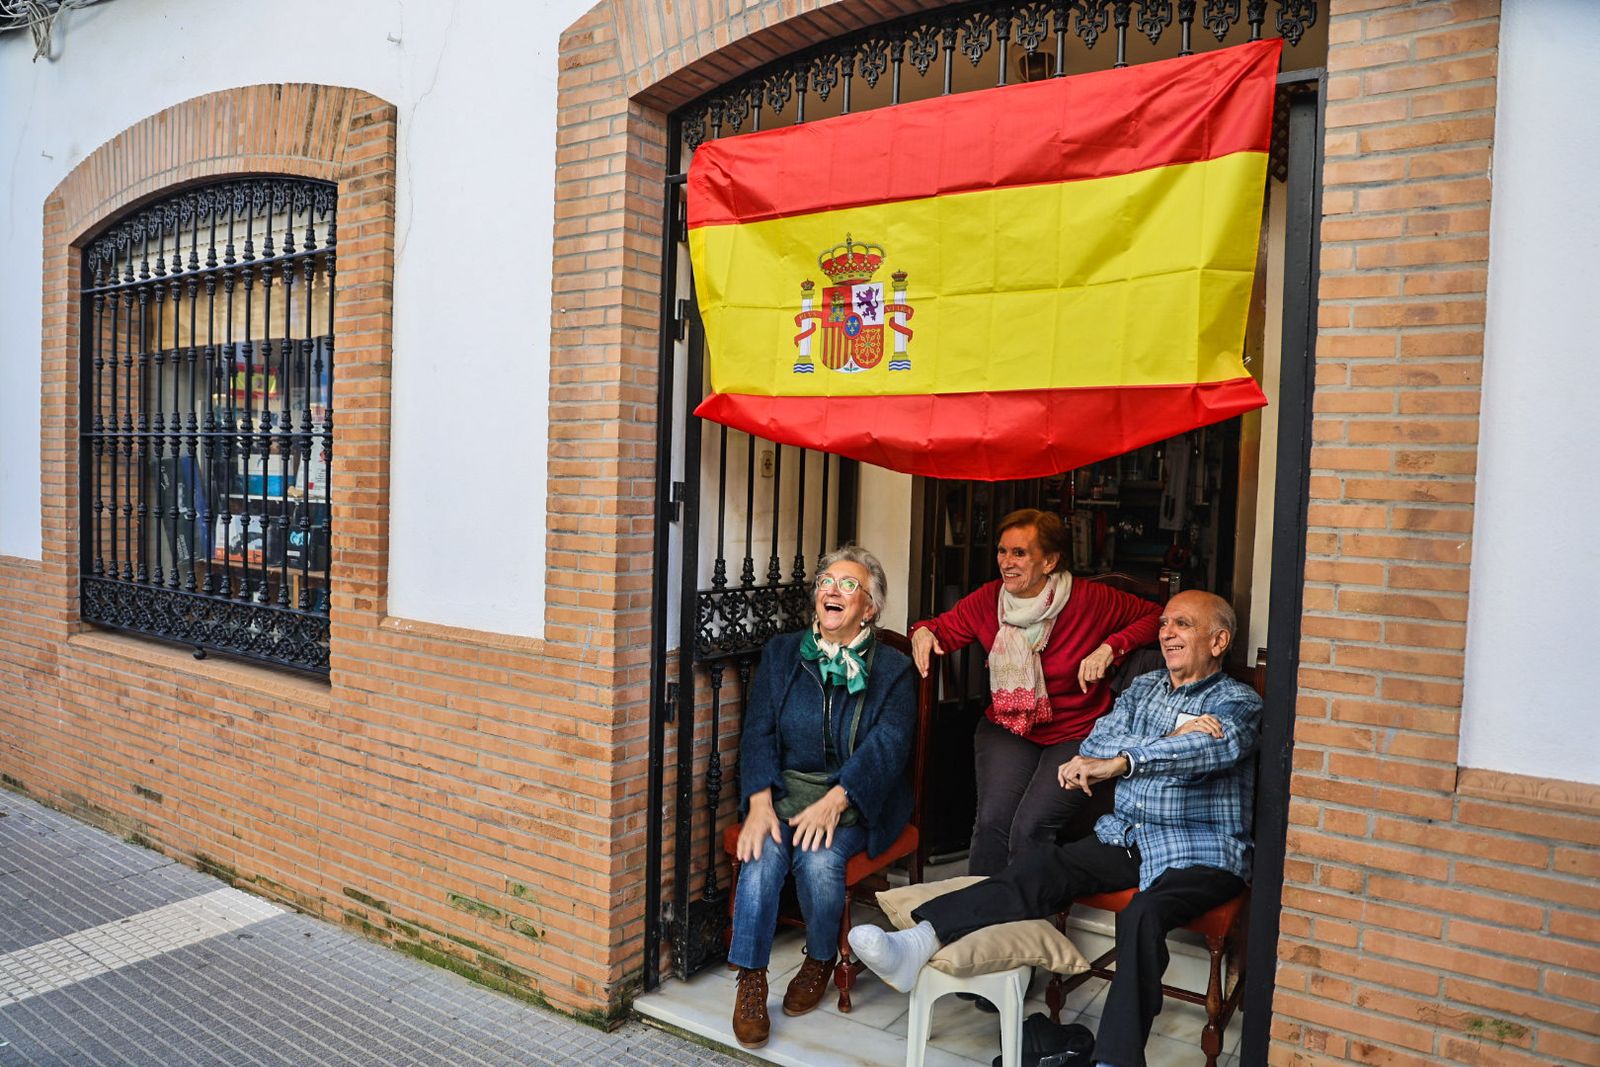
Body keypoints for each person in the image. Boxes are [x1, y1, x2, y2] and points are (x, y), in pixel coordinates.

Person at [850, 590, 1261, 1067]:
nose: (1166, 632)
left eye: (1182, 624)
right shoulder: (1145, 687)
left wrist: (1126, 760)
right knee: (1043, 864)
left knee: (1143, 914)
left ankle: (1114, 1060)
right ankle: (920, 939)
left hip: (1202, 849)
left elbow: (1207, 752)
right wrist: (1167, 738)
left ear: (1219, 640)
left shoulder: (1239, 702)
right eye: (1165, 623)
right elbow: (1099, 740)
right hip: (1130, 838)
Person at [728, 544, 917, 1049]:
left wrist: (838, 798)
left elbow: (889, 747)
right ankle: (751, 978)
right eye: (826, 582)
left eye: (848, 585)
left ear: (869, 607)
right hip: (786, 788)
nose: (832, 591)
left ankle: (818, 958)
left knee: (817, 858)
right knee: (762, 853)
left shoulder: (894, 670)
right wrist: (760, 801)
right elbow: (759, 730)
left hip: (856, 797)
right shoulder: (783, 652)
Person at [912, 509, 1160, 876]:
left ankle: (1023, 921)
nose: (1006, 563)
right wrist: (922, 631)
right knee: (994, 822)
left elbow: (1158, 617)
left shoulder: (1089, 600)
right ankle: (978, 918)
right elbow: (942, 629)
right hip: (1010, 727)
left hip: (1076, 729)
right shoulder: (989, 600)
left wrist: (1111, 646)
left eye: (1019, 553)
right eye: (1002, 551)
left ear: (1050, 561)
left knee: (1030, 826)